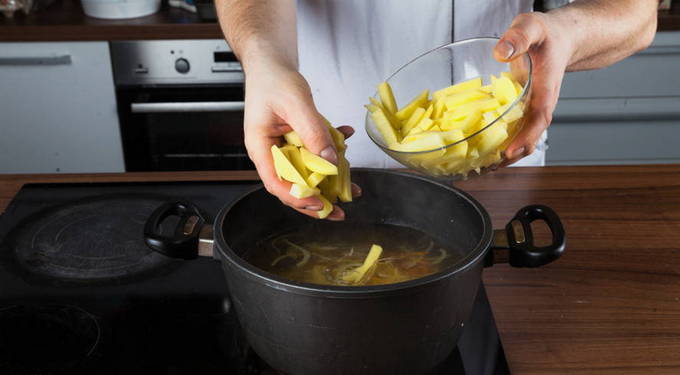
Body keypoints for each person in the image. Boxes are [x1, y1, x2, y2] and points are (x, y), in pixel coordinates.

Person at [216, 0, 658, 220]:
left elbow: (637, 13)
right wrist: (264, 59)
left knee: (500, 332)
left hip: (501, 158)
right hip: (335, 157)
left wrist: (566, 33)